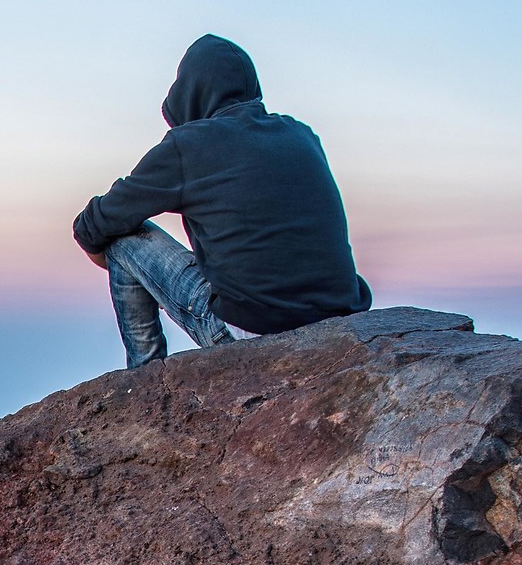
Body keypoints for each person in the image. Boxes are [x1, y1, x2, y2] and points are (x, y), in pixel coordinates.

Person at [72, 34, 371, 367]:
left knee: (122, 241)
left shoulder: (190, 144)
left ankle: (144, 375)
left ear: (190, 90)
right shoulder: (301, 135)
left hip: (250, 331)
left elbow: (96, 224)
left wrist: (118, 264)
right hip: (337, 319)